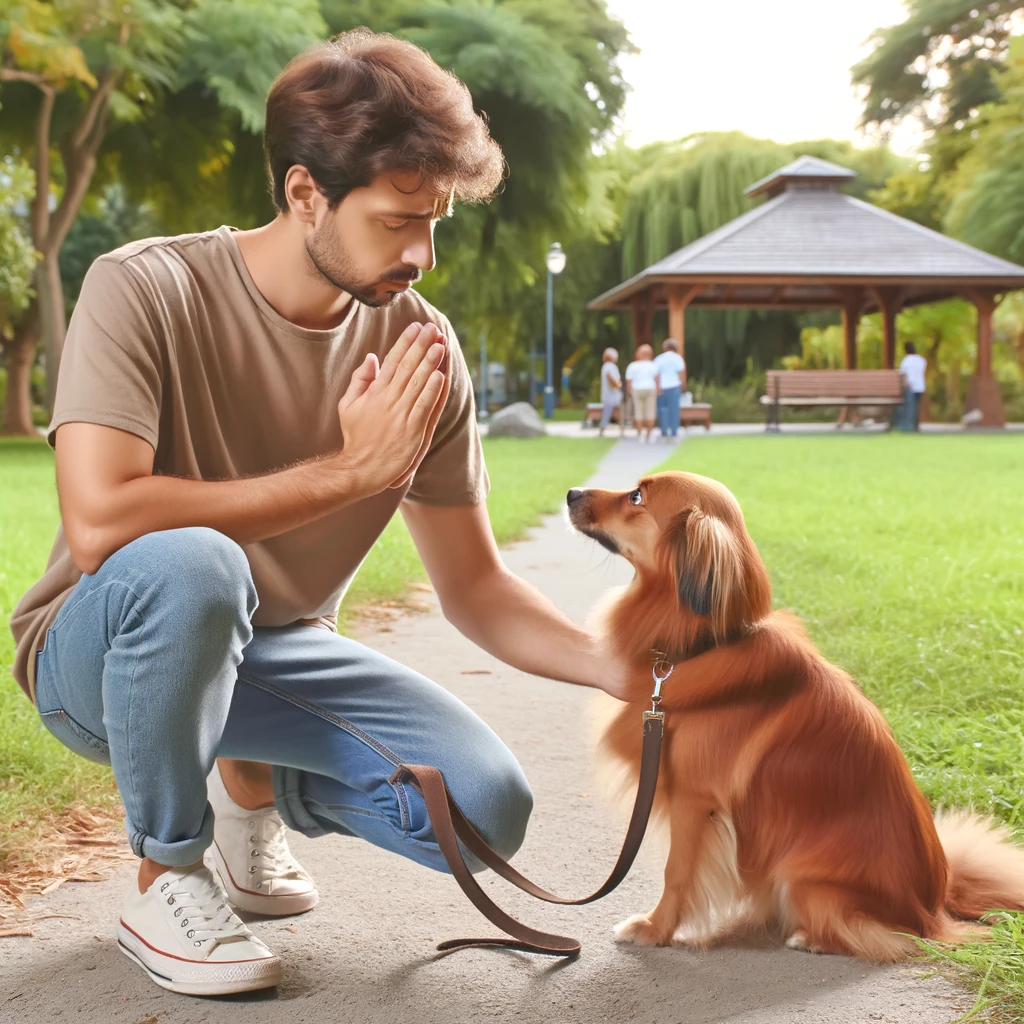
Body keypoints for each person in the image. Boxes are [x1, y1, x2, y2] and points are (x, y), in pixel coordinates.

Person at [8, 31, 628, 998]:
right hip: (101, 658)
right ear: (306, 194)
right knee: (198, 564)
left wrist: (625, 668)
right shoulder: (143, 286)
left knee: (483, 809)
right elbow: (100, 522)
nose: (422, 254)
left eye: (438, 221)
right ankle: (166, 873)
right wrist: (344, 473)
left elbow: (474, 588)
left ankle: (252, 778)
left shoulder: (424, 346)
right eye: (395, 221)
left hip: (277, 658)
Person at [624, 344, 659, 442]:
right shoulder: (653, 365)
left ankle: (640, 434)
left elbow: (629, 382)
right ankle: (649, 435)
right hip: (650, 389)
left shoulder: (632, 366)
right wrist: (658, 390)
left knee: (638, 412)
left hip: (637, 389)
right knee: (650, 412)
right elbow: (657, 379)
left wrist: (629, 392)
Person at [653, 338, 686, 441]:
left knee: (662, 409)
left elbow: (656, 374)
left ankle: (663, 430)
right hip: (674, 386)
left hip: (662, 386)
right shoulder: (678, 358)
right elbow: (681, 373)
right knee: (674, 410)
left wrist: (657, 387)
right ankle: (674, 431)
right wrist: (683, 385)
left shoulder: (659, 358)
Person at [899, 342, 927, 431]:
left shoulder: (906, 360)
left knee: (910, 406)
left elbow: (903, 374)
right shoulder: (921, 360)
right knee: (916, 406)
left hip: (910, 386)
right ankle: (916, 425)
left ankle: (909, 425)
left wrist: (904, 384)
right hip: (920, 386)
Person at [597, 347, 624, 437]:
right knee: (614, 412)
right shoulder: (610, 366)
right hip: (612, 394)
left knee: (611, 412)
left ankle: (620, 430)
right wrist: (618, 384)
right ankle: (619, 430)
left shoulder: (606, 366)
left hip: (610, 394)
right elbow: (610, 377)